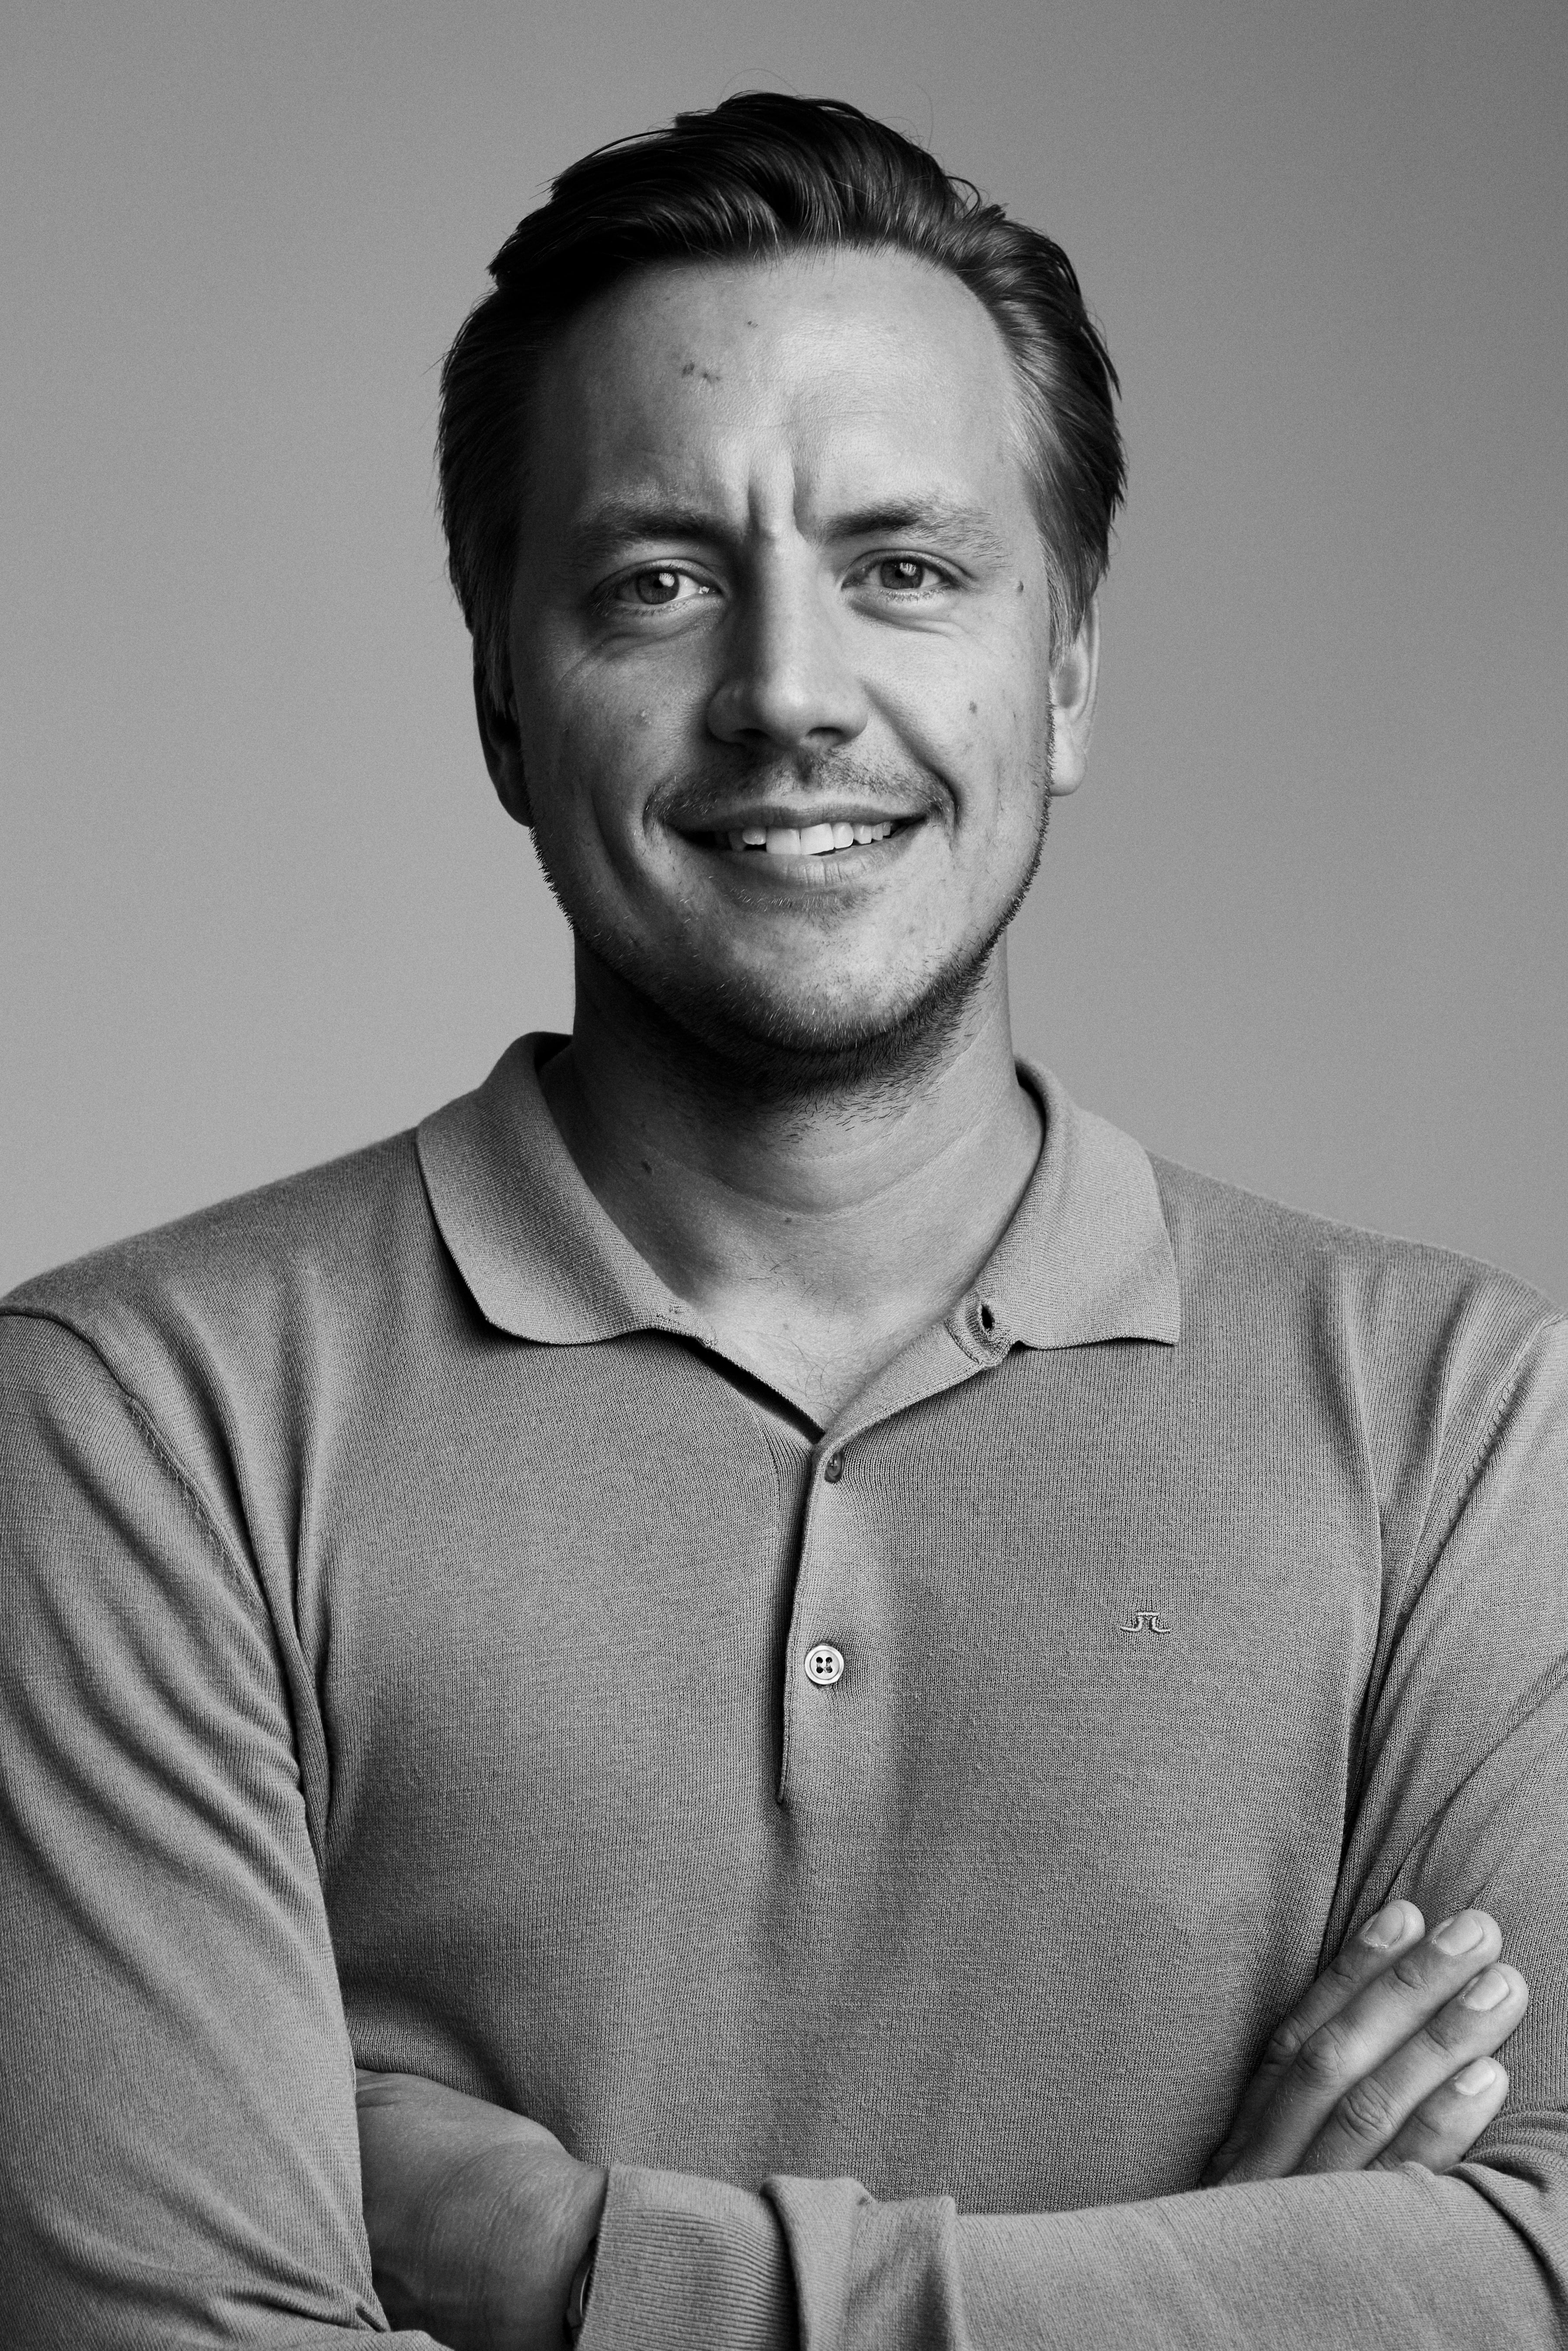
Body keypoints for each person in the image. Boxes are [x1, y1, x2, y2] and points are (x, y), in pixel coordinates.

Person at [2, 91, 1564, 2351]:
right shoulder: (137, 1431)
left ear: (1066, 670)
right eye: (657, 582)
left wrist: (563, 2257)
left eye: (905, 568)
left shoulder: (1460, 1424)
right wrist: (1245, 2295)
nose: (788, 695)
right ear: (502, 701)